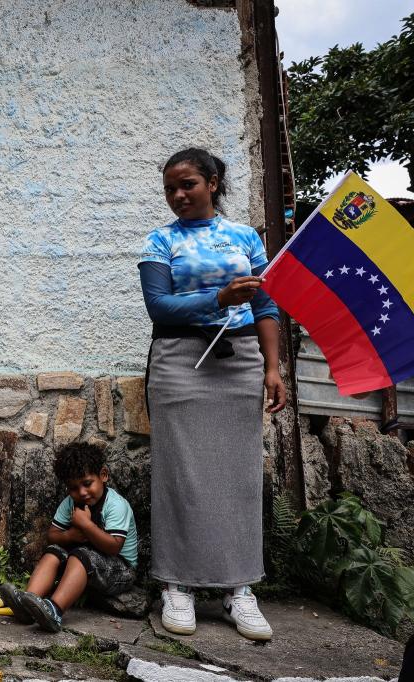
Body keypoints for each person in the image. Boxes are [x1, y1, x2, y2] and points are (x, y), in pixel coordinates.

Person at [138, 147, 285, 641]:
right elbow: (159, 308)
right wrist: (219, 298)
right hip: (180, 362)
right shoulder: (160, 241)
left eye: (189, 185)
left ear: (214, 183)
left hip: (239, 361)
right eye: (171, 189)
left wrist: (272, 366)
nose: (179, 196)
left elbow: (266, 305)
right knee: (179, 471)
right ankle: (176, 586)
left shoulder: (245, 237)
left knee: (238, 476)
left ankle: (239, 589)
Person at [0, 442, 137, 632]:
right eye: (73, 487)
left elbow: (114, 547)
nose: (82, 492)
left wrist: (86, 525)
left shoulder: (116, 505)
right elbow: (52, 536)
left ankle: (54, 611)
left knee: (82, 555)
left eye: (87, 483)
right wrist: (71, 534)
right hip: (86, 564)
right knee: (54, 552)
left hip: (120, 570)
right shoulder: (70, 503)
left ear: (103, 475)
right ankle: (27, 603)